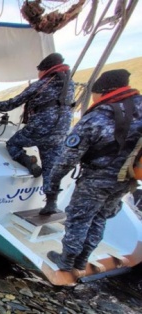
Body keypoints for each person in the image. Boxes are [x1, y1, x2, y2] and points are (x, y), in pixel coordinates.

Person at [45, 69, 142, 271]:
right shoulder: (139, 108)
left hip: (97, 178)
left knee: (79, 217)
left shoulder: (99, 116)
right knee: (99, 217)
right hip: (126, 178)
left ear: (103, 91)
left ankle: (67, 260)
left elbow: (67, 158)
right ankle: (83, 259)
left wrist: (53, 183)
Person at [0, 53, 75, 215]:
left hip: (39, 128)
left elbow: (13, 103)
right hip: (60, 132)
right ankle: (51, 202)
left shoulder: (42, 84)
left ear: (44, 70)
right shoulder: (69, 84)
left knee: (13, 144)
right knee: (51, 166)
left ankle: (28, 162)